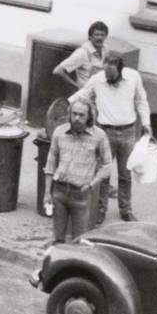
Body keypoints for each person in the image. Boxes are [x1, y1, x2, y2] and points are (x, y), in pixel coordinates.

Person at [80, 52, 150, 225]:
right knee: (103, 173)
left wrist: (147, 123)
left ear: (121, 70)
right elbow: (81, 97)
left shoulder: (133, 77)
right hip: (105, 132)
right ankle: (99, 211)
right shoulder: (97, 79)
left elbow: (141, 100)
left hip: (128, 131)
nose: (108, 78)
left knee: (125, 174)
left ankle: (126, 210)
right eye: (106, 73)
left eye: (112, 75)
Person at [43, 96, 112, 245]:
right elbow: (50, 163)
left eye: (81, 115)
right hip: (59, 191)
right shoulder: (59, 132)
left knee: (78, 240)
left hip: (81, 194)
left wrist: (92, 184)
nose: (77, 118)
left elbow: (107, 165)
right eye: (74, 114)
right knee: (58, 238)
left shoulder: (99, 136)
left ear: (89, 117)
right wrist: (47, 192)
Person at [52, 20, 110, 90]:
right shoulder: (82, 53)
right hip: (85, 95)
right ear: (90, 37)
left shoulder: (105, 49)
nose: (100, 38)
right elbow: (58, 71)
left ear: (106, 36)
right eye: (97, 35)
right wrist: (76, 87)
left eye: (102, 35)